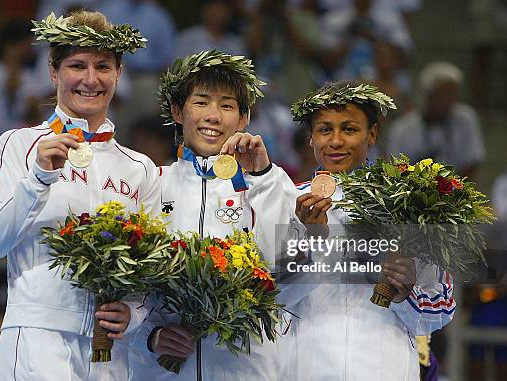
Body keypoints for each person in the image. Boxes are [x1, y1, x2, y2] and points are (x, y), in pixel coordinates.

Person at [0, 10, 160, 380]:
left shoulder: (140, 168)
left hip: (111, 352)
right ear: (54, 72)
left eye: (103, 67)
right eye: (77, 65)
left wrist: (134, 313)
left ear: (119, 74)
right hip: (37, 340)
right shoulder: (19, 145)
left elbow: (150, 270)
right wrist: (38, 178)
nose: (91, 79)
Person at [129, 50, 299, 381]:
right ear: (178, 112)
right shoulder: (151, 184)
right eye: (201, 102)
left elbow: (285, 271)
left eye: (227, 106)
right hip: (160, 371)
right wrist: (149, 338)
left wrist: (262, 177)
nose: (213, 116)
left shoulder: (271, 181)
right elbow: (127, 287)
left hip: (243, 369)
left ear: (243, 119)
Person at [283, 80, 455, 380]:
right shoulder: (285, 202)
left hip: (385, 368)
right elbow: (268, 297)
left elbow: (442, 306)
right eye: (324, 129)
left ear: (372, 134)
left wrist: (407, 294)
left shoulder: (409, 206)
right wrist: (313, 244)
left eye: (349, 129)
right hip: (306, 367)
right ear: (310, 137)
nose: (336, 141)